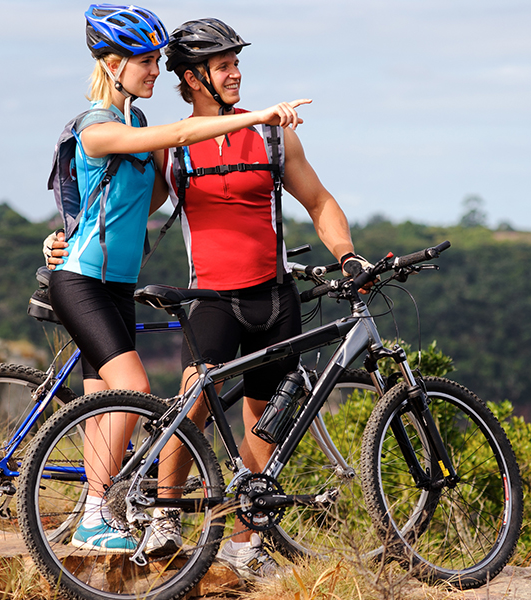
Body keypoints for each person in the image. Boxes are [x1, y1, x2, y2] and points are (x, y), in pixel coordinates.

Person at [48, 16, 370, 577]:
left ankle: (246, 540)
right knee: (191, 404)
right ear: (194, 78)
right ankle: (164, 517)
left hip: (274, 295)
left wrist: (347, 254)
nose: (237, 74)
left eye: (237, 63)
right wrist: (65, 238)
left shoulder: (272, 133)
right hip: (211, 298)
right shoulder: (169, 148)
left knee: (265, 418)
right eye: (225, 65)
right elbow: (128, 205)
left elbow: (319, 201)